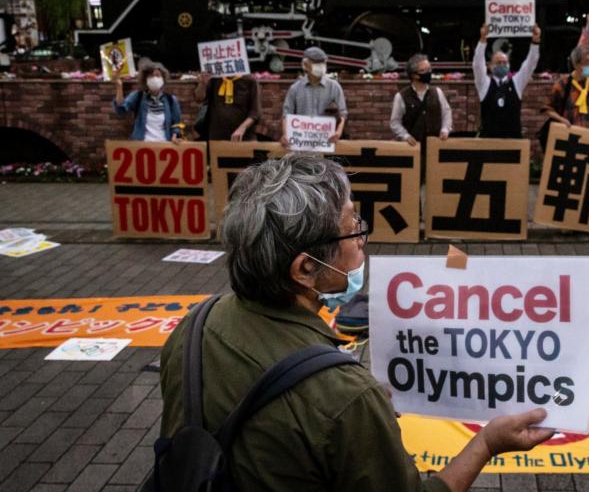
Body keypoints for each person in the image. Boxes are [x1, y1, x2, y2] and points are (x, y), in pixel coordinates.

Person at [159, 154, 554, 491]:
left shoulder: (194, 325)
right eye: (351, 227)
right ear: (306, 268)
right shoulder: (344, 395)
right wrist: (485, 442)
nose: (361, 238)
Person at [472, 23, 540, 138]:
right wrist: (483, 39)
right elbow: (477, 65)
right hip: (489, 143)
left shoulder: (517, 82)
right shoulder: (484, 84)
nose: (502, 65)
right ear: (490, 66)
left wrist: (535, 41)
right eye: (498, 62)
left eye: (505, 62)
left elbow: (530, 64)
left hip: (514, 142)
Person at [281, 47, 347, 147]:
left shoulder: (334, 87)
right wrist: (286, 134)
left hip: (327, 144)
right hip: (302, 146)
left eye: (323, 63)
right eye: (316, 63)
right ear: (305, 65)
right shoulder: (295, 89)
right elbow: (286, 115)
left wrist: (338, 132)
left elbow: (342, 113)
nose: (321, 66)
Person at [112, 61, 184, 143]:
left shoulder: (171, 100)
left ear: (163, 79)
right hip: (143, 147)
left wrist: (175, 135)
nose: (154, 78)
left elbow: (177, 124)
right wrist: (119, 86)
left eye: (157, 75)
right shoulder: (138, 96)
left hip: (165, 146)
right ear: (145, 79)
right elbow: (120, 110)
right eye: (151, 76)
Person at [390, 53, 453, 145]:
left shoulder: (437, 92)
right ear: (414, 75)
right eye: (424, 70)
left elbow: (446, 113)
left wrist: (445, 130)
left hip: (435, 145)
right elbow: (395, 122)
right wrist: (406, 136)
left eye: (429, 69)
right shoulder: (401, 96)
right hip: (413, 148)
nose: (428, 72)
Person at [193, 71, 262, 141]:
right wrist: (202, 83)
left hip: (244, 137)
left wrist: (242, 128)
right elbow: (199, 98)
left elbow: (255, 112)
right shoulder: (214, 79)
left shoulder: (250, 80)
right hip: (216, 137)